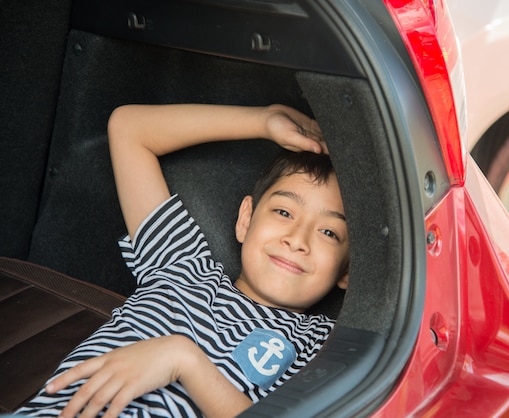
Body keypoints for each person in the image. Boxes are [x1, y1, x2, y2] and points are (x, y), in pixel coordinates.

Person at [16, 104, 350, 418]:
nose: (297, 239)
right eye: (283, 211)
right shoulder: (183, 266)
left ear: (347, 270)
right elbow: (129, 128)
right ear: (245, 219)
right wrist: (264, 120)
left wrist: (185, 361)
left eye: (329, 233)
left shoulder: (319, 343)